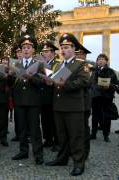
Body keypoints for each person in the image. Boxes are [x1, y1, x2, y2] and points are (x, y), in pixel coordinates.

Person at [45, 33, 89, 176]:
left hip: (73, 107)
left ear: (73, 48)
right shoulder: (58, 65)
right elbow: (55, 79)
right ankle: (62, 158)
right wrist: (50, 81)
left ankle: (78, 163)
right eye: (62, 47)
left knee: (76, 136)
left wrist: (66, 84)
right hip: (59, 106)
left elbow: (84, 82)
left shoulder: (81, 64)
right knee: (62, 135)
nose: (63, 50)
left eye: (66, 47)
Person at [11, 34, 44, 165]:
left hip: (33, 102)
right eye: (24, 47)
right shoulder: (16, 64)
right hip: (19, 101)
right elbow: (10, 84)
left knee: (35, 129)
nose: (25, 49)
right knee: (22, 129)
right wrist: (10, 75)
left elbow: (42, 82)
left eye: (28, 47)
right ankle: (23, 151)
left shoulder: (39, 64)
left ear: (33, 50)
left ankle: (38, 154)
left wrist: (30, 77)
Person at [90, 54, 118, 142]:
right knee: (95, 115)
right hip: (95, 96)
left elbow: (115, 84)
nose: (101, 61)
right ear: (97, 61)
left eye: (102, 59)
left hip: (106, 97)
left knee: (107, 116)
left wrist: (109, 86)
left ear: (106, 61)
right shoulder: (94, 71)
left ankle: (106, 135)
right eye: (99, 59)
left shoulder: (110, 71)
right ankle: (93, 133)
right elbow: (91, 83)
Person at [39, 40, 59, 149]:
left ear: (52, 53)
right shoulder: (41, 64)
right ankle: (47, 139)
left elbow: (59, 77)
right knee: (45, 120)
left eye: (46, 51)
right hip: (43, 96)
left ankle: (57, 141)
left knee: (54, 120)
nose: (44, 54)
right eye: (43, 52)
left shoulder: (57, 64)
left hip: (53, 96)